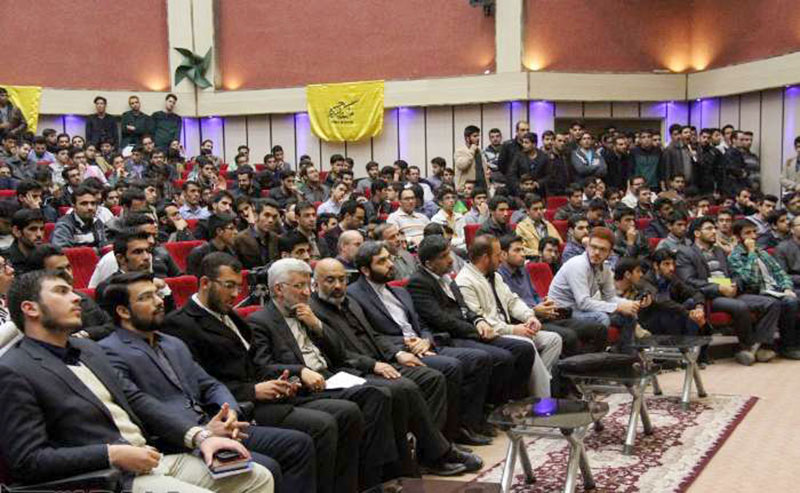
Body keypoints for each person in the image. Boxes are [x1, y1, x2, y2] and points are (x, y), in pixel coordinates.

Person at [0, 270, 273, 492]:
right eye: (62, 292)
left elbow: (136, 399)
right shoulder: (14, 370)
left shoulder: (88, 349)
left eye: (72, 290)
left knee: (257, 477)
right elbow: (27, 461)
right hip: (107, 478)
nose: (76, 298)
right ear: (30, 308)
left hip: (152, 458)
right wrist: (111, 454)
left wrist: (201, 437)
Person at [98, 272, 316, 492]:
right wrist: (199, 433)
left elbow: (210, 384)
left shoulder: (172, 343)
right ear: (123, 311)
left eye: (156, 294)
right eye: (146, 297)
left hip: (212, 424)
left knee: (297, 444)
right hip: (175, 440)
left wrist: (230, 412)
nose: (158, 301)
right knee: (266, 467)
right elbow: (141, 406)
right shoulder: (109, 351)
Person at [162, 253, 359, 493]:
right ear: (205, 283)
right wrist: (253, 390)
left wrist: (285, 377)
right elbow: (199, 383)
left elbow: (255, 365)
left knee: (345, 412)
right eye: (229, 286)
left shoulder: (229, 314)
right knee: (321, 426)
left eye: (238, 287)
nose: (236, 294)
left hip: (261, 399)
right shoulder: (180, 324)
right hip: (229, 410)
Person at [247, 259, 417, 489]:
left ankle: (377, 477)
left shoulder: (306, 313)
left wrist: (316, 325)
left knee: (381, 394)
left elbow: (339, 352)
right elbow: (263, 366)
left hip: (330, 376)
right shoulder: (260, 321)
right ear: (278, 289)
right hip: (303, 388)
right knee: (357, 406)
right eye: (299, 286)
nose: (307, 292)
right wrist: (300, 371)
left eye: (308, 285)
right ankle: (363, 483)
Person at [348, 241, 494, 443]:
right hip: (397, 351)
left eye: (389, 258)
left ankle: (465, 425)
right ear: (365, 270)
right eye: (382, 261)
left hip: (423, 345)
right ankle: (444, 438)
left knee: (480, 359)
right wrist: (405, 344)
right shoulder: (354, 295)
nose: (390, 264)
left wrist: (425, 339)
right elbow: (370, 334)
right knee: (451, 367)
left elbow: (420, 323)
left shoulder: (398, 291)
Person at [454, 235, 562, 397]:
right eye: (498, 255)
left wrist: (529, 317)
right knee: (526, 344)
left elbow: (512, 301)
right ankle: (544, 397)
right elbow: (478, 319)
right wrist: (513, 330)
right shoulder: (465, 282)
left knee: (554, 339)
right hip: (492, 334)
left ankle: (536, 388)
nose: (501, 258)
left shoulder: (495, 276)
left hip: (507, 328)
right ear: (485, 258)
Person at [675, 216, 781, 365]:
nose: (714, 231)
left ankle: (762, 346)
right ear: (697, 233)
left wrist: (735, 284)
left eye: (714, 228)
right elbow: (689, 281)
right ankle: (745, 348)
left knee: (772, 303)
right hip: (709, 296)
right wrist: (718, 288)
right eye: (709, 229)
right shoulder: (686, 253)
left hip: (731, 292)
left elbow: (734, 274)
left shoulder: (719, 251)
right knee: (739, 306)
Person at [497, 235, 607, 356]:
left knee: (599, 329)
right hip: (525, 322)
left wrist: (545, 303)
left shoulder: (523, 270)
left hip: (543, 317)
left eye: (523, 249)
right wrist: (534, 310)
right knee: (569, 336)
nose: (523, 254)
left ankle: (590, 363)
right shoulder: (498, 277)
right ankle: (575, 365)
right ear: (504, 254)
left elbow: (535, 295)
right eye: (517, 250)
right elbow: (507, 311)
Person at [548, 227, 640, 350]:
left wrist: (632, 305)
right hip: (562, 313)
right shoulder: (578, 265)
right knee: (601, 317)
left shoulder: (605, 268)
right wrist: (618, 307)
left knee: (628, 316)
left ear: (610, 253)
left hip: (580, 311)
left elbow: (609, 298)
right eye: (593, 247)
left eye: (602, 249)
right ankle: (597, 354)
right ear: (587, 247)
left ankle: (626, 353)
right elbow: (583, 303)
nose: (596, 252)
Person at [727, 219, 800, 360]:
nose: (753, 236)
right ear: (738, 237)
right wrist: (751, 253)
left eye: (754, 232)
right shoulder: (734, 257)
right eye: (748, 233)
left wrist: (787, 287)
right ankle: (764, 346)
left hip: (773, 290)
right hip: (750, 293)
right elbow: (750, 280)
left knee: (791, 300)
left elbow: (780, 273)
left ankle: (788, 346)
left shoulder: (763, 253)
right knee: (778, 303)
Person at [639, 249, 709, 339]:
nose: (672, 268)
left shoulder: (672, 278)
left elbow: (695, 292)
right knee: (669, 313)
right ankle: (688, 342)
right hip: (652, 320)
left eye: (673, 264)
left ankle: (693, 342)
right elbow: (662, 301)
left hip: (673, 316)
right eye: (666, 264)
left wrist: (699, 308)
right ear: (656, 265)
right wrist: (688, 313)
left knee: (691, 303)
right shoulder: (645, 281)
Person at [52, 185, 107, 249]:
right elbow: (62, 251)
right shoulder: (64, 225)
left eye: (93, 203)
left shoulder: (97, 222)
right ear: (74, 207)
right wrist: (92, 251)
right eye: (84, 203)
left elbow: (104, 248)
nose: (90, 207)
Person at [234, 199, 281, 269]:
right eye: (266, 215)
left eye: (274, 217)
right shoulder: (240, 239)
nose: (271, 220)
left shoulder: (275, 238)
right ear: (256, 216)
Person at [4, 209, 45, 275]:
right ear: (16, 231)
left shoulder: (48, 258)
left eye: (42, 229)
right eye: (32, 229)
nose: (39, 234)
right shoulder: (4, 261)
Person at [454, 125, 488, 192]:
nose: (478, 138)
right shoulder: (460, 151)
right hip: (466, 188)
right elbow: (462, 165)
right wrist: (472, 150)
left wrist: (488, 184)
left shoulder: (479, 151)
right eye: (475, 136)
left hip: (481, 186)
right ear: (467, 138)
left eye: (478, 136)